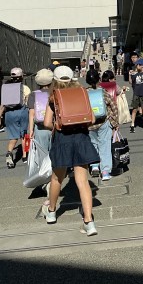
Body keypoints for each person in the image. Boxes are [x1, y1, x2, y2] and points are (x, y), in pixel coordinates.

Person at [41, 66, 99, 235]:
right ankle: (89, 221)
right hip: (81, 138)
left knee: (57, 178)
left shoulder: (54, 97)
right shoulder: (82, 94)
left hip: (62, 139)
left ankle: (51, 212)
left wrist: (58, 125)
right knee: (83, 181)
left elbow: (46, 123)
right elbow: (92, 119)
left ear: (55, 80)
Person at [85, 69, 119, 181]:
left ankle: (94, 166)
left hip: (89, 124)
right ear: (98, 79)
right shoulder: (103, 92)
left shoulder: (84, 93)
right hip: (104, 122)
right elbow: (113, 106)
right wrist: (115, 122)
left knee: (93, 145)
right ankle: (105, 171)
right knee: (105, 146)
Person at [2, 67, 31, 169]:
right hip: (22, 112)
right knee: (24, 135)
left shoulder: (6, 88)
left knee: (13, 137)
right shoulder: (25, 88)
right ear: (22, 76)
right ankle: (25, 156)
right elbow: (28, 102)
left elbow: (3, 104)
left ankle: (9, 153)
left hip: (9, 114)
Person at [27, 68, 54, 155]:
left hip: (40, 127)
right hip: (54, 126)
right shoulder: (55, 93)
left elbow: (32, 113)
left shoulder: (33, 94)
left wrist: (31, 130)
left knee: (43, 153)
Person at [129, 58, 143, 133]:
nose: (136, 66)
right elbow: (131, 82)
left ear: (142, 66)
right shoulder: (135, 74)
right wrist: (130, 75)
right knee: (134, 109)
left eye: (138, 65)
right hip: (136, 93)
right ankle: (132, 124)